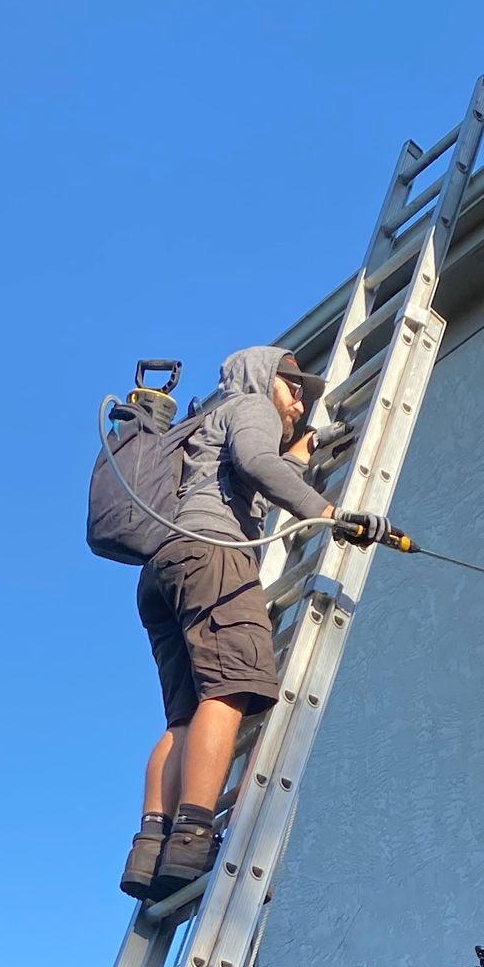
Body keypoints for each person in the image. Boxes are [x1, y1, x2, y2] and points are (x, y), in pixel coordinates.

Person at [121, 344, 335, 900]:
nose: (297, 407)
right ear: (268, 378)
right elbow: (256, 463)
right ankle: (193, 833)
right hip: (214, 557)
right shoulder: (251, 406)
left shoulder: (203, 423)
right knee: (230, 687)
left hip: (164, 570)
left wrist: (298, 458)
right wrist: (325, 510)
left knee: (184, 717)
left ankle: (152, 847)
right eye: (295, 392)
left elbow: (243, 476)